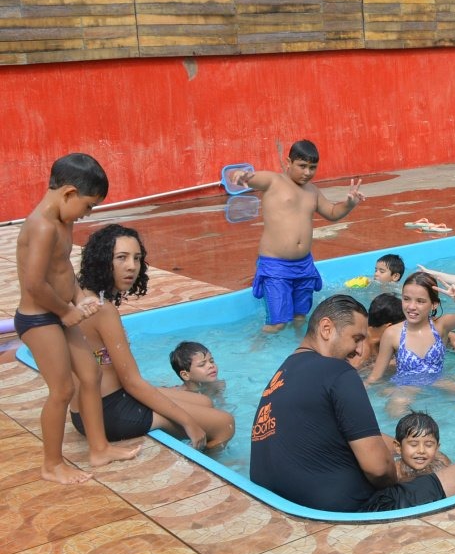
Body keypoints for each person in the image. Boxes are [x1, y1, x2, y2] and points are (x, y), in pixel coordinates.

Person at [250, 294, 455, 512]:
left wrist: (404, 453)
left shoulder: (284, 372)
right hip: (351, 508)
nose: (361, 350)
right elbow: (378, 470)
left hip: (279, 501)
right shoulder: (339, 373)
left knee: (407, 452)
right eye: (356, 338)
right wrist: (403, 476)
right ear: (326, 329)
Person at [17, 153, 139, 483]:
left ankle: (98, 448)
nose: (86, 215)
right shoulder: (41, 226)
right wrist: (65, 311)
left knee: (91, 373)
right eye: (87, 206)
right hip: (39, 321)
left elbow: (62, 269)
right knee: (61, 390)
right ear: (69, 193)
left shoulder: (63, 220)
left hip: (57, 313)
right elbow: (34, 284)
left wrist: (78, 296)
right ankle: (51, 464)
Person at [76, 225, 235, 450]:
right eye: (121, 258)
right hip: (109, 412)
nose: (132, 266)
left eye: (137, 258)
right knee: (224, 424)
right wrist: (189, 423)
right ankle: (209, 463)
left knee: (205, 401)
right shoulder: (102, 310)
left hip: (87, 409)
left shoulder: (84, 297)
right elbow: (132, 382)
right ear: (102, 260)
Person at [235, 140, 364, 333]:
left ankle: (297, 350)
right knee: (277, 323)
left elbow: (332, 212)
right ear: (289, 162)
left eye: (313, 167)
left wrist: (349, 204)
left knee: (299, 318)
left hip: (303, 266)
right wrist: (241, 176)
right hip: (275, 265)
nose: (307, 172)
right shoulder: (273, 181)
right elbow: (252, 178)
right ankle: (258, 351)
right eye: (302, 166)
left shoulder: (312, 191)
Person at [367, 273, 455, 385]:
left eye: (420, 301)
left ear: (434, 304)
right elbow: (375, 376)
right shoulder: (392, 333)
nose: (411, 306)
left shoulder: (440, 325)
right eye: (406, 299)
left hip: (439, 384)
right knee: (400, 400)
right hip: (405, 390)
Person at [392, 411, 452, 480]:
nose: (421, 450)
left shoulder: (442, 463)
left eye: (428, 445)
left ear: (436, 449)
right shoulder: (395, 473)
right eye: (413, 444)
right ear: (398, 447)